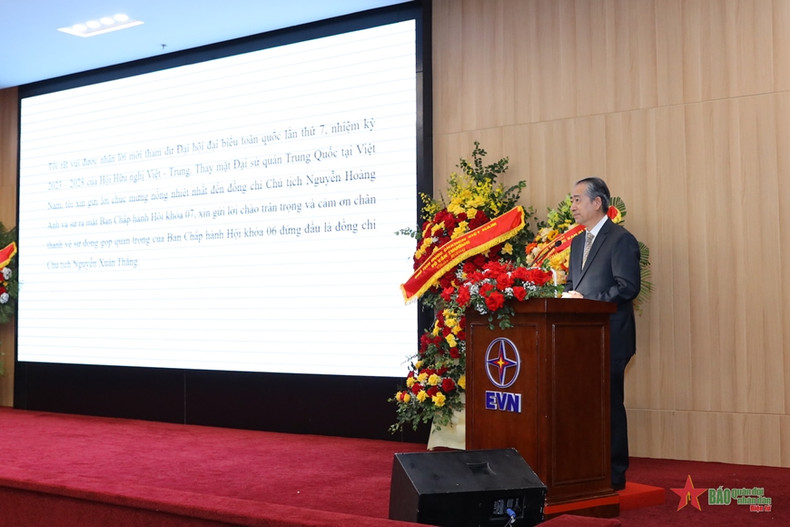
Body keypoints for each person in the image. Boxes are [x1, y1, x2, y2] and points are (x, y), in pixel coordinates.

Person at [563, 177, 641, 491]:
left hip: (612, 337)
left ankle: (614, 472)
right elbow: (572, 285)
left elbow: (627, 286)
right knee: (583, 405)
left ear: (598, 203)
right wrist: (568, 298)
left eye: (577, 199)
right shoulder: (577, 242)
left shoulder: (621, 239)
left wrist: (587, 303)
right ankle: (587, 467)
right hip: (583, 340)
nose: (572, 206)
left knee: (608, 404)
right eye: (572, 200)